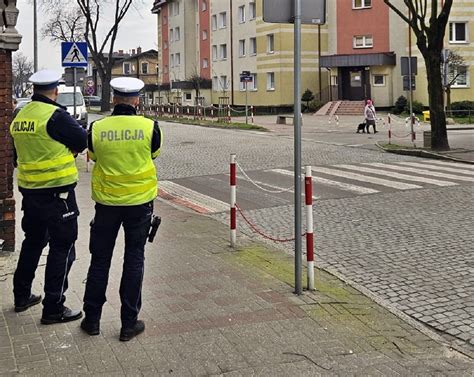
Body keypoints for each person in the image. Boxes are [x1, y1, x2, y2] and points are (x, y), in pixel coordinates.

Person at [81, 77, 162, 341]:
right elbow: (153, 155)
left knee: (100, 260)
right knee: (134, 259)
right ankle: (129, 323)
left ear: (114, 98)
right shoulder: (151, 127)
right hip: (139, 205)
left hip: (106, 205)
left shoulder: (97, 127)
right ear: (137, 100)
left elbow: (93, 156)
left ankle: (91, 320)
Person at [10, 70, 87, 324]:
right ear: (55, 92)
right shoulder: (55, 115)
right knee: (63, 246)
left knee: (33, 242)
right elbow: (81, 139)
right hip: (58, 194)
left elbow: (15, 153)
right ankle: (53, 307)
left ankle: (21, 296)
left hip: (30, 193)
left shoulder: (20, 115)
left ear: (33, 91)